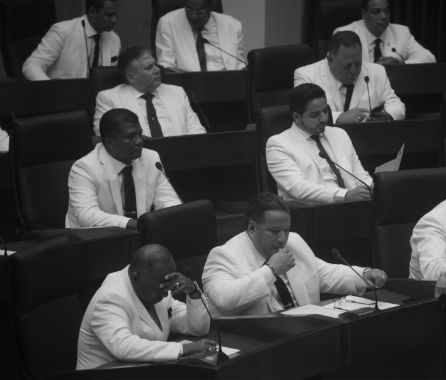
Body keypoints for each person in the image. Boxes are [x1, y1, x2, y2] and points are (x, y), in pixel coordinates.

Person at [202, 193, 387, 316]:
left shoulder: (294, 242)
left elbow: (322, 273)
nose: (282, 239)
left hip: (303, 331)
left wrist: (364, 274)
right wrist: (271, 270)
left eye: (286, 230)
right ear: (251, 228)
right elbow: (225, 300)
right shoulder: (224, 256)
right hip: (258, 343)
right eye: (274, 231)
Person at [76, 244, 213, 370]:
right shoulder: (110, 297)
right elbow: (124, 347)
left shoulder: (158, 289)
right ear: (135, 276)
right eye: (160, 288)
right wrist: (185, 349)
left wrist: (194, 293)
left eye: (168, 286)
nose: (166, 293)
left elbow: (197, 328)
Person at [66, 109, 181, 230]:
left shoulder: (151, 158)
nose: (139, 141)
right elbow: (87, 216)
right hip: (96, 239)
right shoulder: (84, 168)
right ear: (109, 142)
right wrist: (135, 225)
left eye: (139, 134)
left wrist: (175, 217)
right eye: (130, 136)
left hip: (141, 236)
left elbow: (168, 200)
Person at [266, 83, 372, 203]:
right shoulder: (278, 144)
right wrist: (345, 195)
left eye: (325, 111)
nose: (324, 119)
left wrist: (371, 188)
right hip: (312, 213)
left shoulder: (339, 134)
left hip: (355, 207)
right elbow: (298, 188)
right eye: (315, 115)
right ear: (296, 117)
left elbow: (360, 175)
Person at [294, 30, 405, 124]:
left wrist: (386, 116)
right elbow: (305, 113)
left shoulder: (377, 71)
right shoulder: (306, 75)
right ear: (329, 59)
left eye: (357, 64)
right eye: (346, 66)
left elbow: (397, 105)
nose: (353, 71)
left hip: (365, 139)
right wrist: (339, 118)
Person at [93, 47, 207, 137]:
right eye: (149, 68)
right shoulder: (109, 98)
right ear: (131, 77)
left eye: (155, 64)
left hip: (181, 154)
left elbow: (197, 130)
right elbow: (106, 137)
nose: (157, 70)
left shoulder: (177, 92)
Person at [23, 0, 120, 80]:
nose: (114, 20)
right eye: (109, 15)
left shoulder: (114, 39)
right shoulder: (63, 31)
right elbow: (31, 65)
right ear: (92, 12)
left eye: (116, 15)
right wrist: (50, 88)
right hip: (62, 93)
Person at [156, 0, 245, 72]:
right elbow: (166, 66)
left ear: (210, 7)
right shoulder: (168, 23)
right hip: (186, 82)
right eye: (189, 11)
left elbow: (239, 65)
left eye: (200, 12)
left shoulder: (232, 26)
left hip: (227, 81)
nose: (194, 16)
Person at [333, 0, 435, 65]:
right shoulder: (345, 34)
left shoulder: (401, 32)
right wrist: (376, 69)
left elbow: (429, 58)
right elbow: (340, 66)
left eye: (387, 11)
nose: (383, 17)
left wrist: (401, 63)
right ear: (364, 14)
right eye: (377, 12)